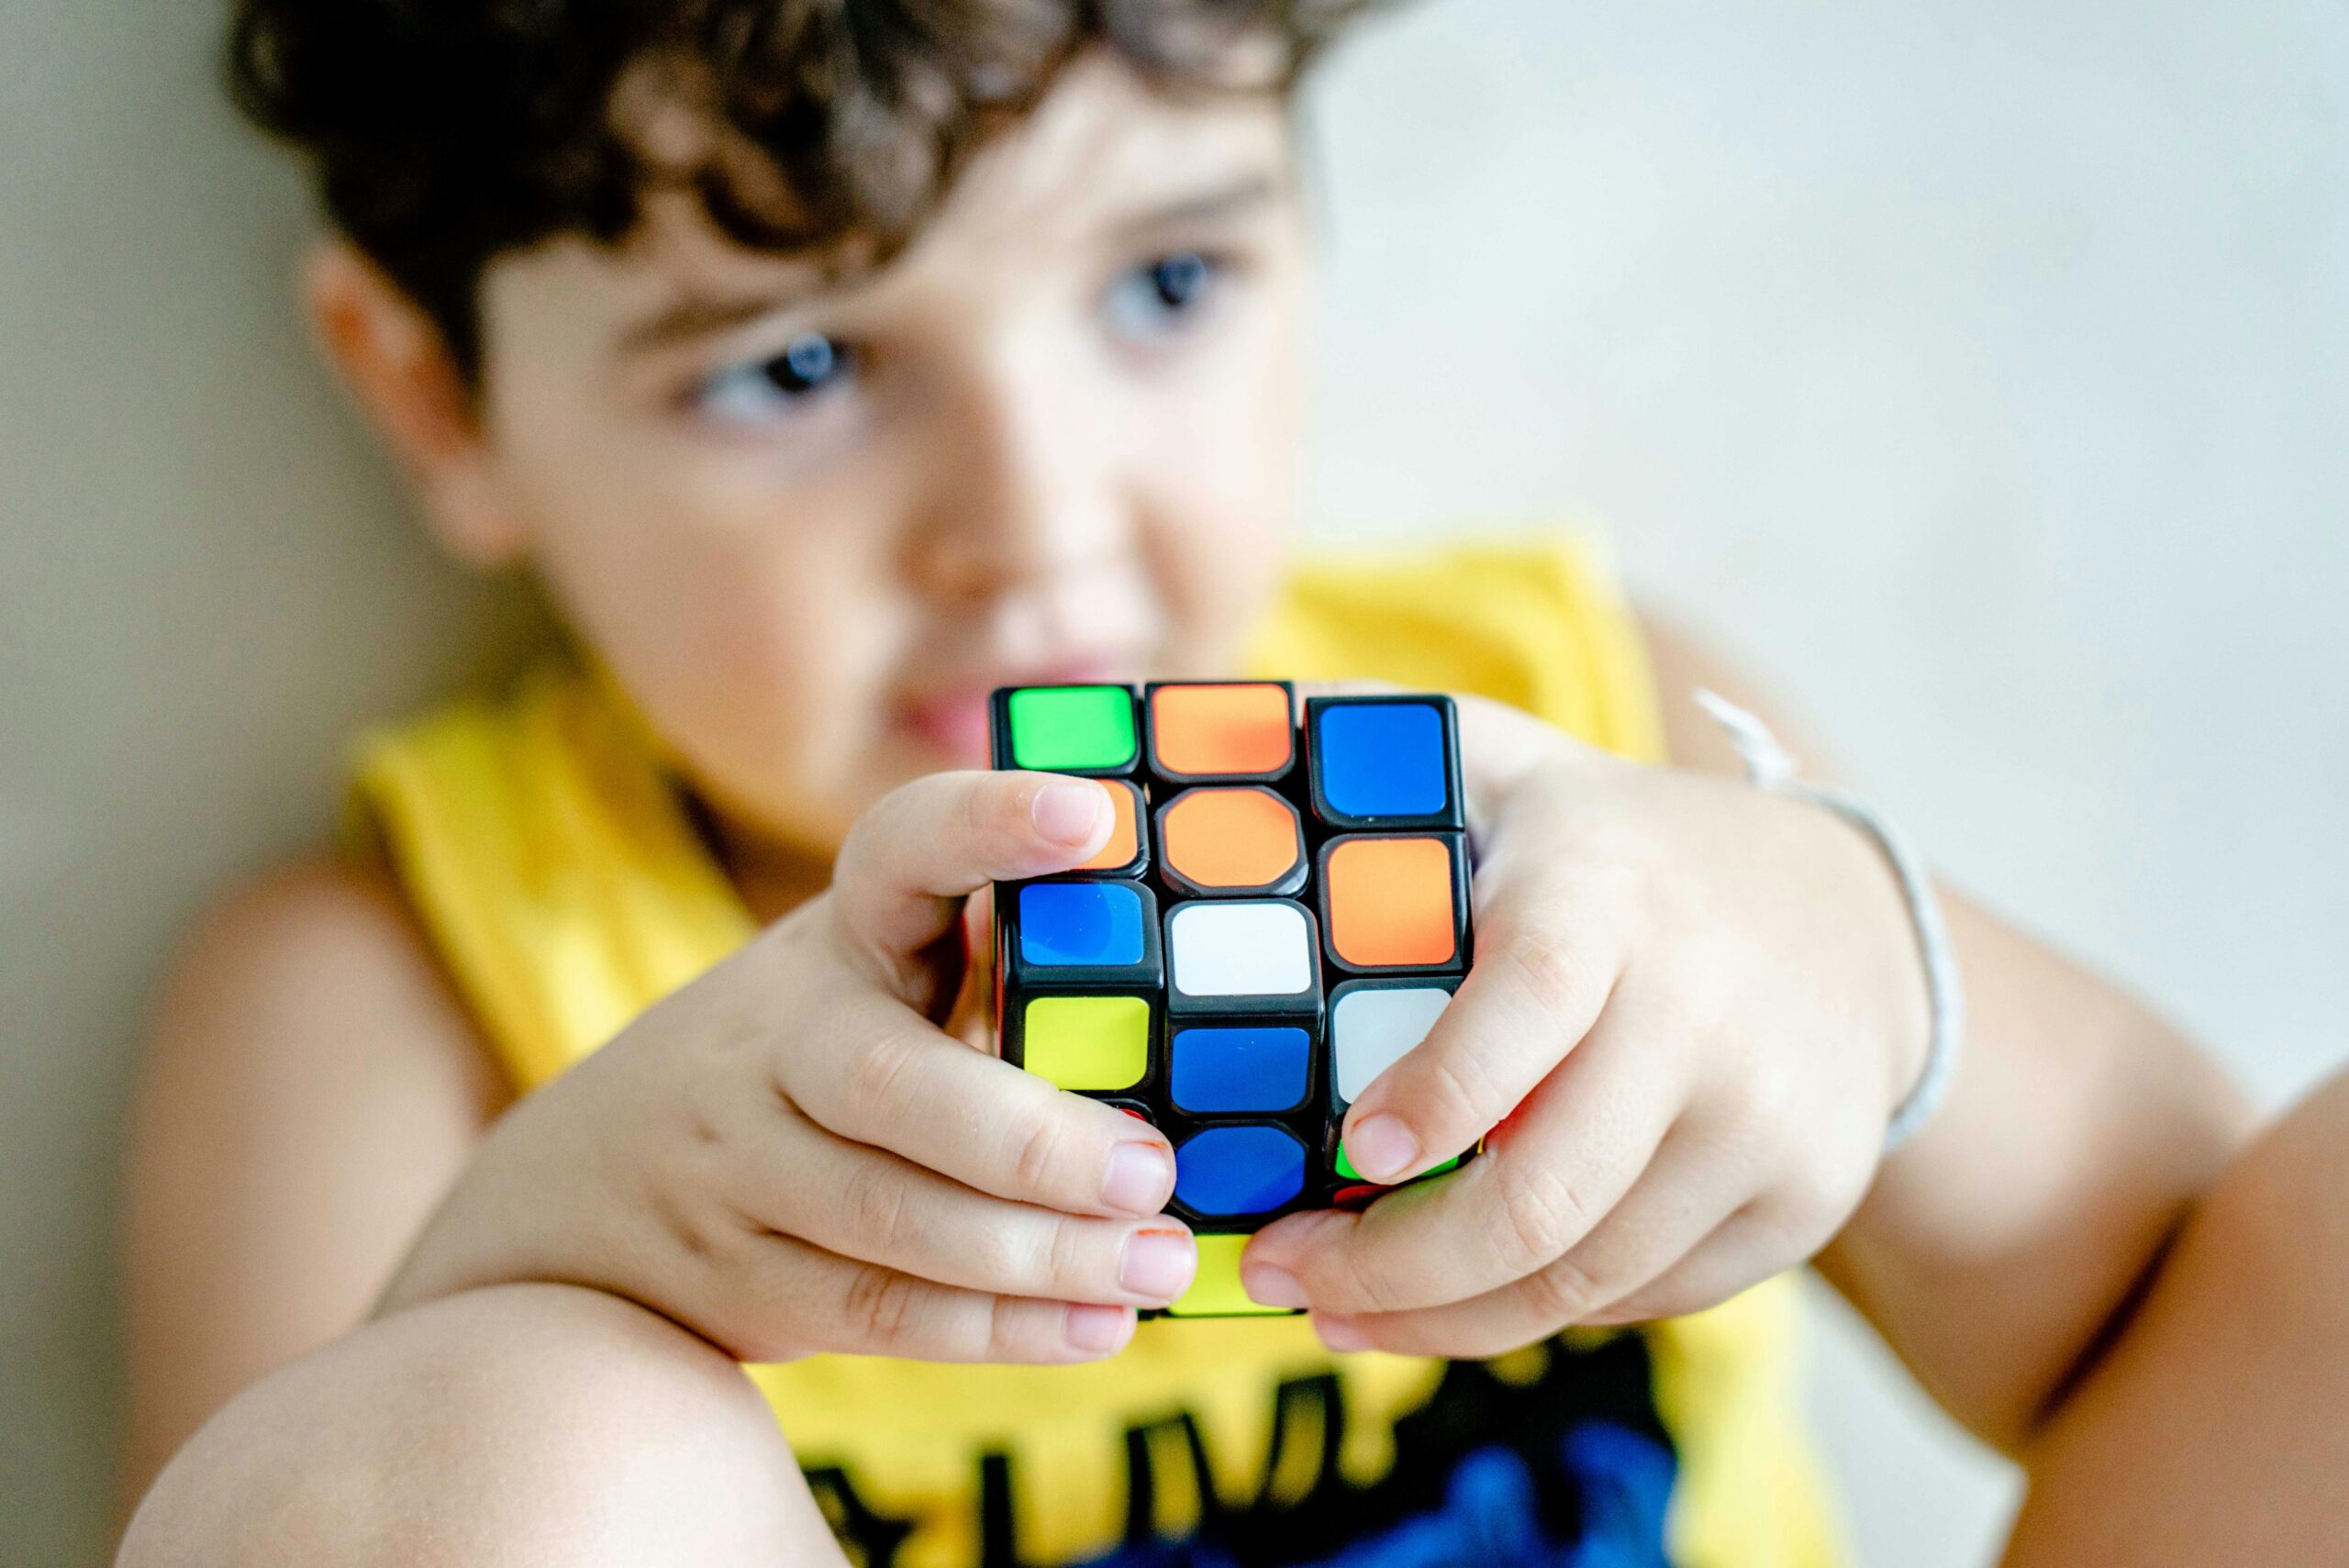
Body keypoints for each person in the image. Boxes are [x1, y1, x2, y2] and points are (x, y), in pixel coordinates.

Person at [117, 3, 2349, 1563]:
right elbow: (329, 1524)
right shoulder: (395, 988)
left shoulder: (1576, 740)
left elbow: (2188, 1295)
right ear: (433, 397)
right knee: (483, 1443)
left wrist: (1849, 965)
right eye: (793, 365)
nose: (1037, 526)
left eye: (1166, 281)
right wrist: (537, 1253)